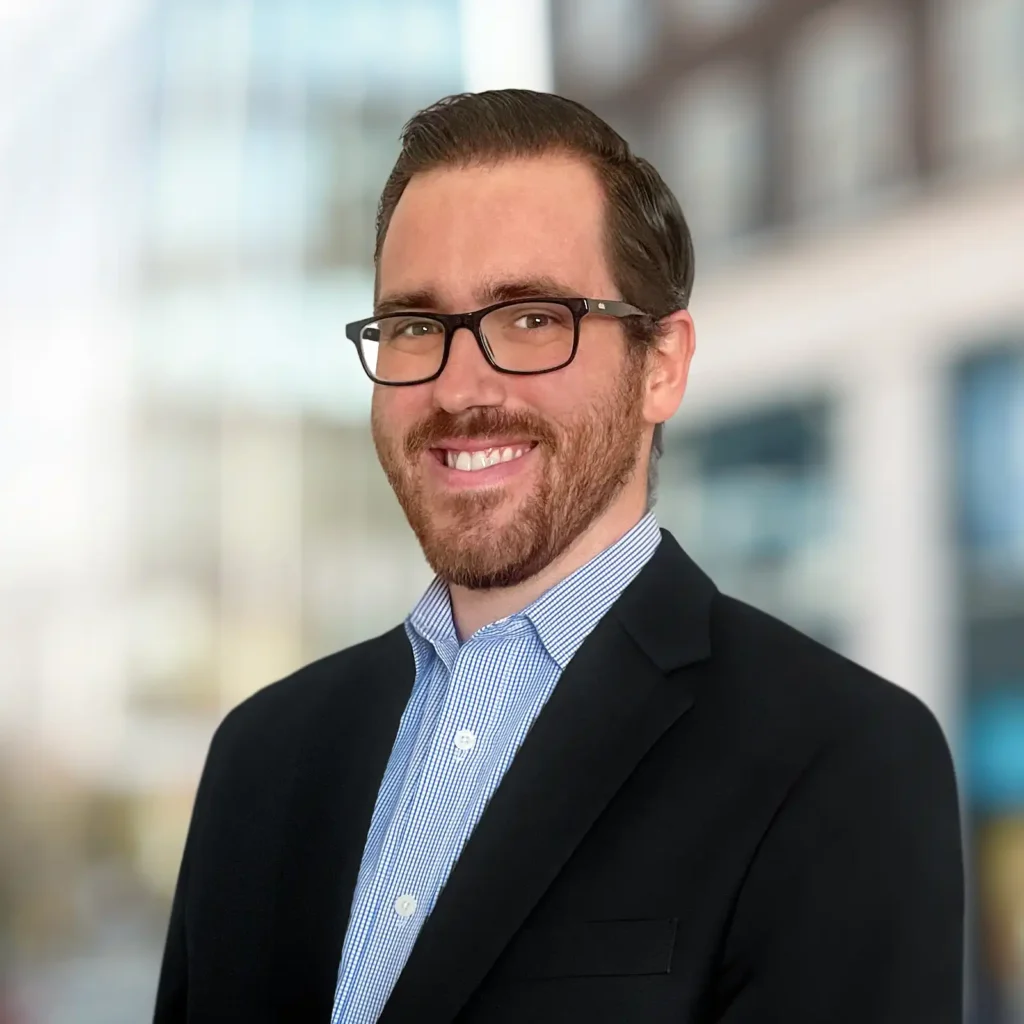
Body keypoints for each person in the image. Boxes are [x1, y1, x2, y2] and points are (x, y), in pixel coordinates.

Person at [153, 90, 963, 1024]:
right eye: (416, 326)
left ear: (661, 365)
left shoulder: (838, 758)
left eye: (533, 319)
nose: (460, 387)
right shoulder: (260, 757)